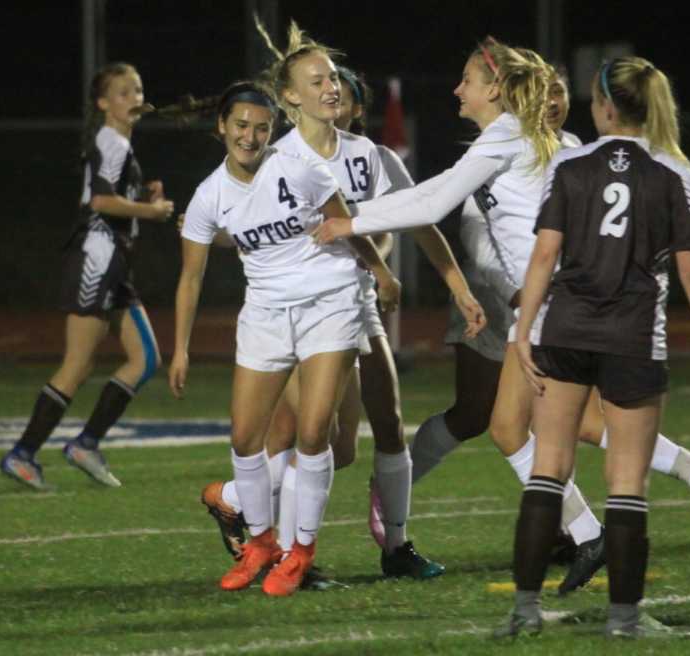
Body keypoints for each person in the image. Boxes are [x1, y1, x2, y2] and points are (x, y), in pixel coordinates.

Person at [315, 38, 615, 593]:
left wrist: (346, 222)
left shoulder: (506, 136)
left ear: (494, 89)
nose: (458, 89)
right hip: (551, 305)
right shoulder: (526, 136)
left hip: (553, 307)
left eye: (468, 80)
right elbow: (434, 196)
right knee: (506, 427)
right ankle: (592, 534)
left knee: (560, 427)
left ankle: (607, 530)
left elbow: (432, 204)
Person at [200, 22, 483, 581]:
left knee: (384, 424)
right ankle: (272, 538)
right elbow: (236, 222)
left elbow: (420, 217)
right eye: (321, 80)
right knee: (315, 439)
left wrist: (457, 286)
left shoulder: (370, 156)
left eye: (336, 81)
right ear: (292, 96)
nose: (334, 90)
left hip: (357, 305)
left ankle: (396, 547)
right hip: (303, 311)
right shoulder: (275, 156)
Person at [500, 56, 690, 638]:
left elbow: (544, 256)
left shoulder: (570, 163)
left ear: (604, 106)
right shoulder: (672, 169)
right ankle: (625, 621)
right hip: (633, 338)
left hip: (566, 331)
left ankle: (524, 613)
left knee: (547, 471)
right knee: (627, 483)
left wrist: (526, 331)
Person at [171, 76, 401, 597]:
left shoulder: (300, 168)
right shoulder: (210, 195)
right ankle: (259, 544)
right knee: (244, 438)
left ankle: (301, 552)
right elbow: (191, 277)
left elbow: (347, 228)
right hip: (267, 313)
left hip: (330, 302)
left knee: (315, 433)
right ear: (221, 128)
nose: (250, 137)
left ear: (273, 130)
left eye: (260, 128)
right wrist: (180, 348)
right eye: (240, 126)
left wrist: (381, 274)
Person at [0, 62, 173, 490]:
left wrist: (141, 193)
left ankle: (86, 444)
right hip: (96, 259)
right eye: (123, 92)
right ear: (103, 103)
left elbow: (110, 194)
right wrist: (150, 211)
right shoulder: (111, 140)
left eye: (138, 90)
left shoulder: (118, 144)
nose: (134, 98)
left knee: (146, 358)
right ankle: (23, 454)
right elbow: (99, 201)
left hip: (115, 262)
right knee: (77, 364)